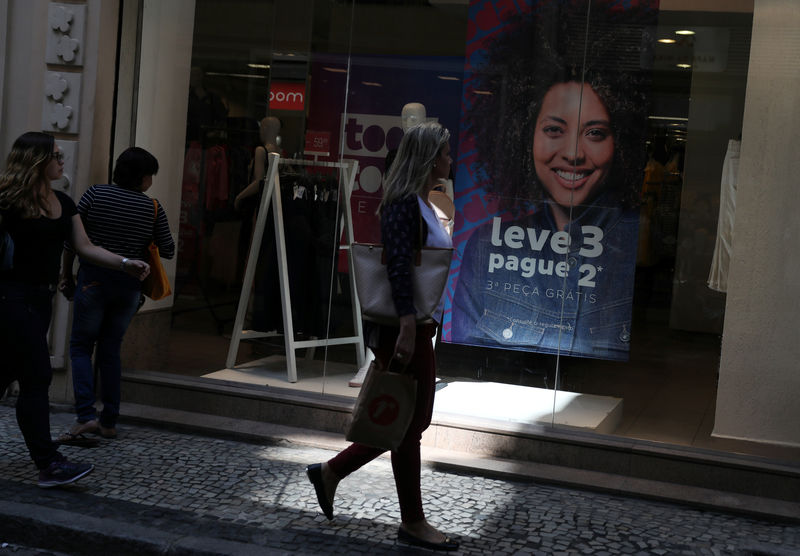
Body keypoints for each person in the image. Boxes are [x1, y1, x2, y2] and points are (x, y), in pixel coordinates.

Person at [450, 11, 649, 361]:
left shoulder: (635, 243)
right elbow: (468, 365)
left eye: (595, 133)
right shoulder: (486, 250)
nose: (573, 154)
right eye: (554, 130)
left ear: (621, 145)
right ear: (523, 136)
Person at [306, 122, 458, 551]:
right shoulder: (402, 203)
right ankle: (412, 521)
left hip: (414, 326)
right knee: (410, 423)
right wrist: (408, 324)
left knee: (414, 419)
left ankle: (331, 472)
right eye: (446, 153)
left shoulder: (425, 203)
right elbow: (397, 267)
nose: (450, 160)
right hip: (402, 329)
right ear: (430, 158)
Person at [0, 132, 149, 488]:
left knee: (6, 373)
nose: (62, 161)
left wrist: (124, 262)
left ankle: (47, 461)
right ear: (37, 161)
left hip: (40, 301)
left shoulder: (63, 203)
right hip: (9, 298)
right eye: (56, 155)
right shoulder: (7, 202)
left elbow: (85, 247)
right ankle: (48, 463)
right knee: (37, 378)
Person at [58, 147, 174, 443]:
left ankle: (86, 416)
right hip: (128, 286)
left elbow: (73, 240)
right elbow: (169, 249)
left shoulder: (94, 194)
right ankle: (109, 422)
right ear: (144, 178)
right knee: (110, 351)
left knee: (81, 346)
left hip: (93, 281)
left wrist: (65, 276)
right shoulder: (152, 207)